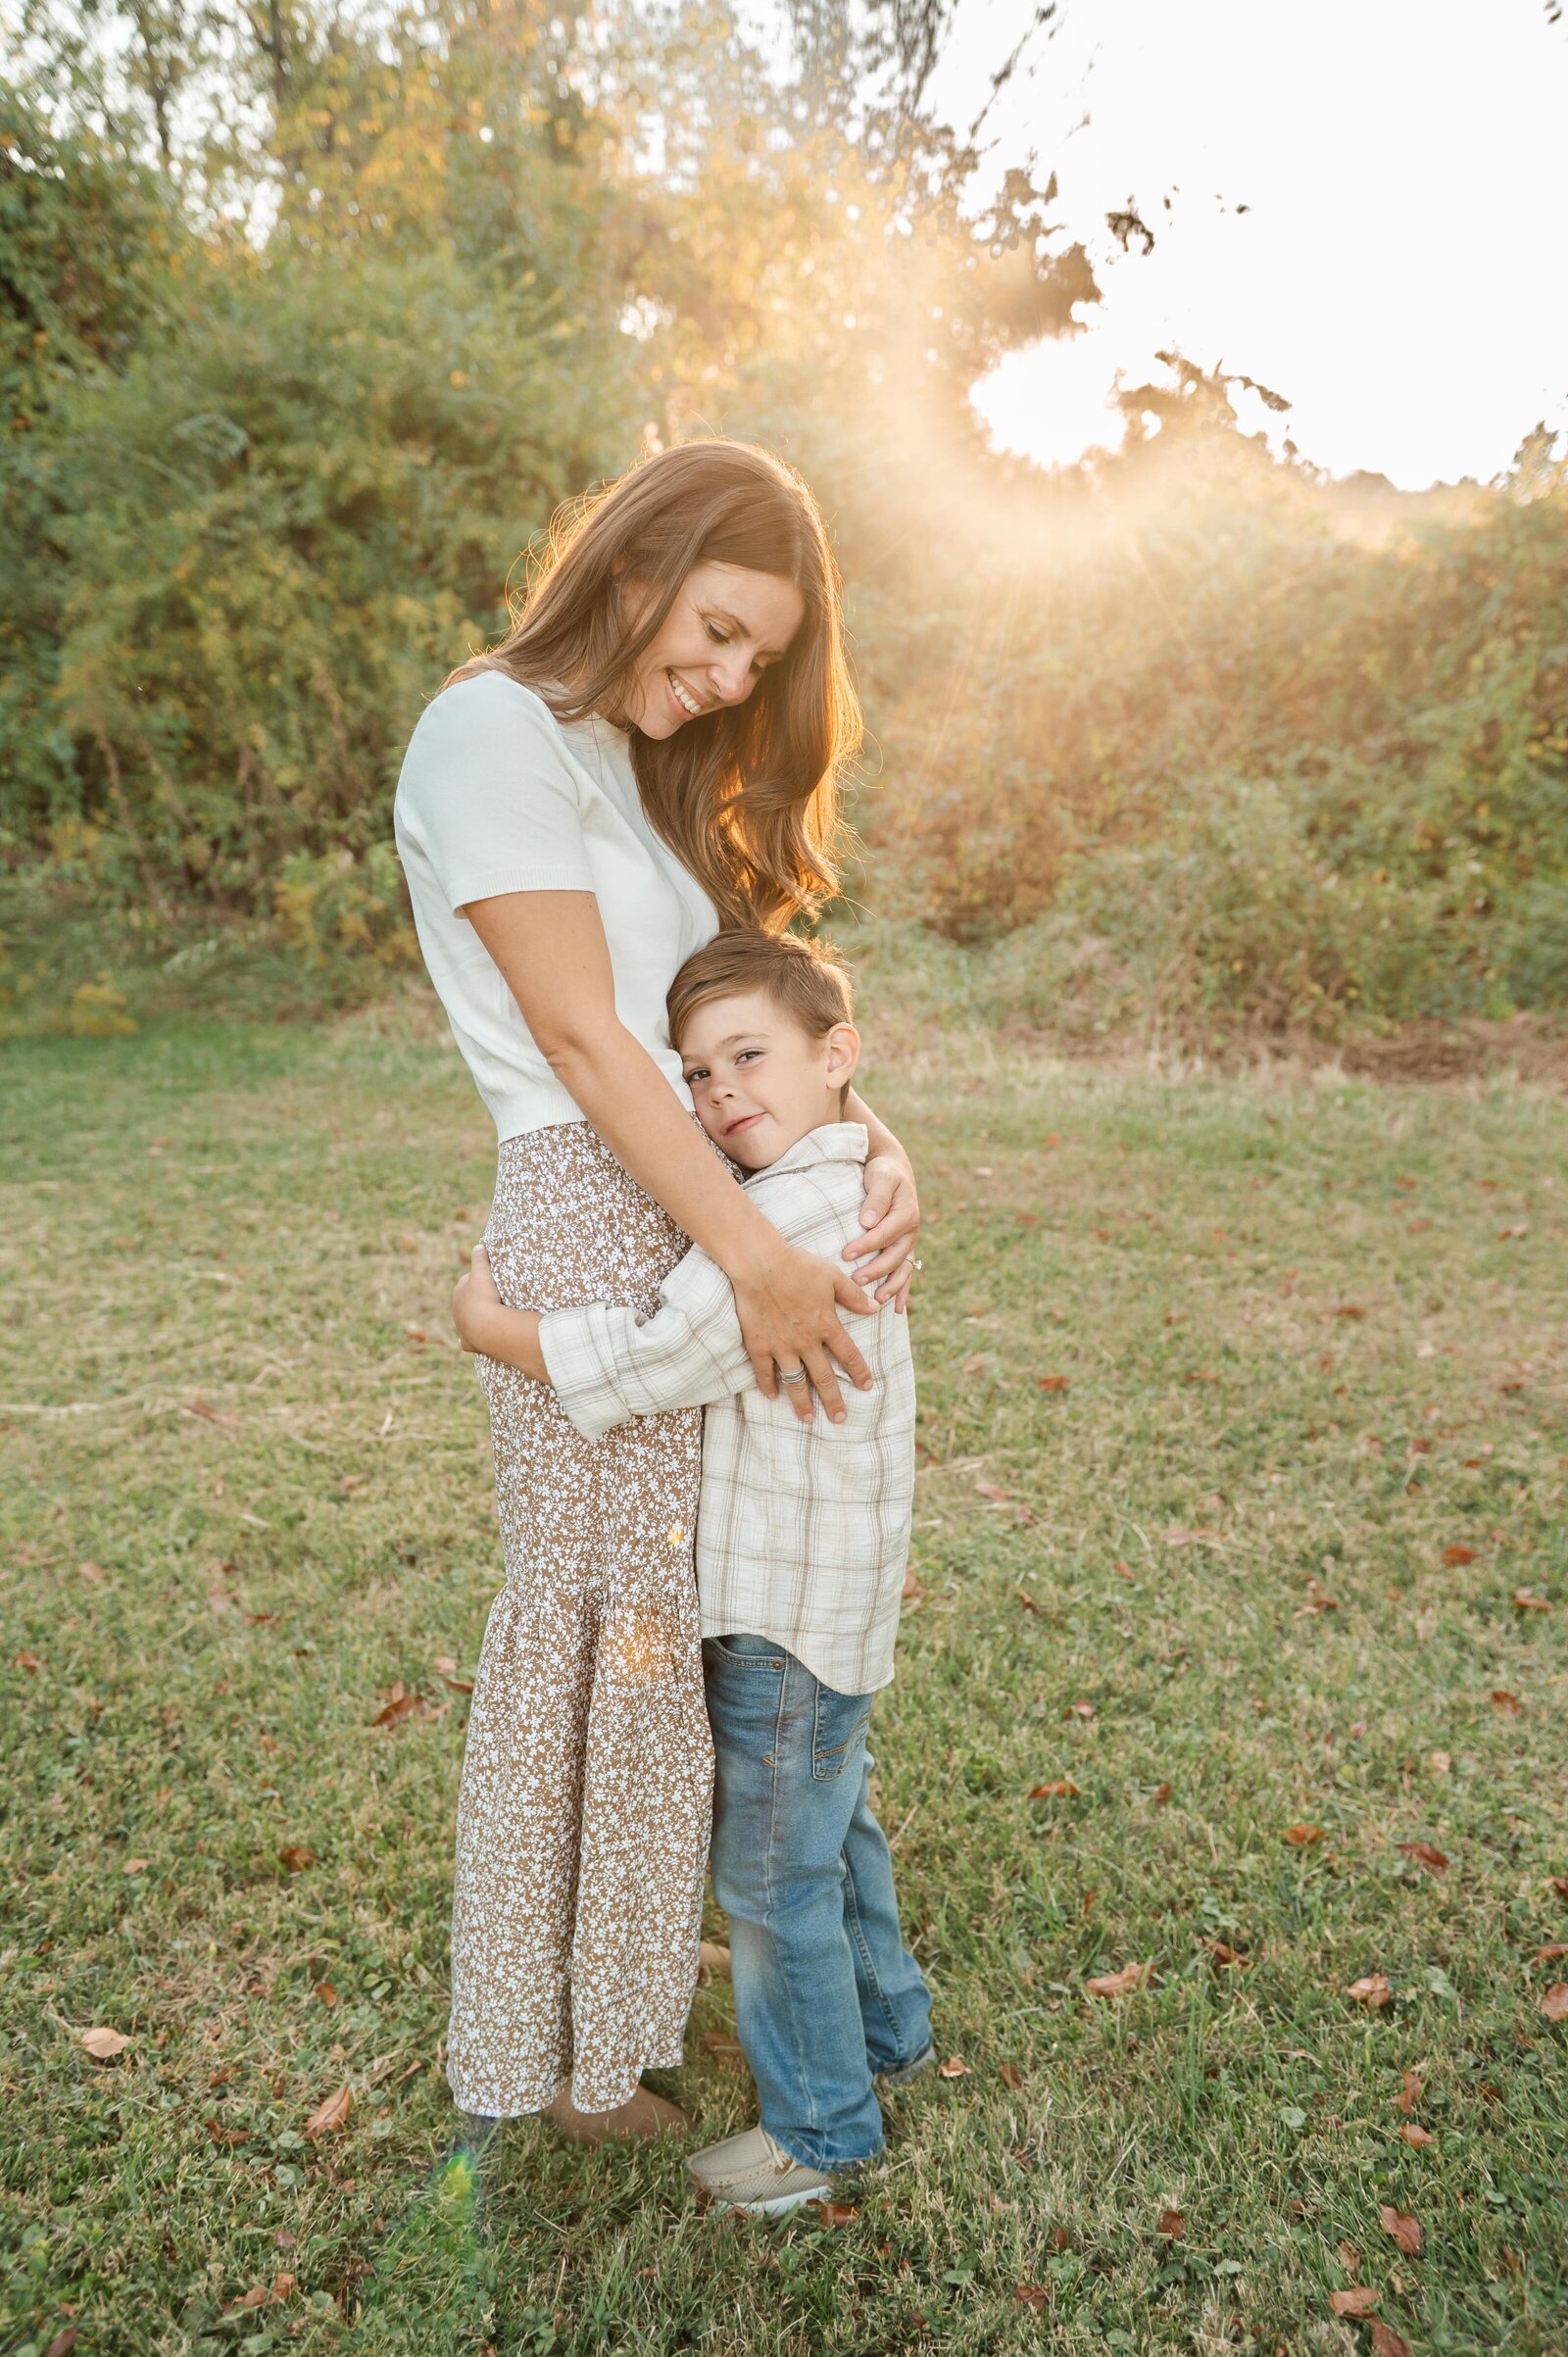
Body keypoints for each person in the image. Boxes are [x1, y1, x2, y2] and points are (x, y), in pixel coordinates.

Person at [392, 440, 922, 2147]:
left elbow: (730, 1013)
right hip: (592, 1207)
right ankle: (551, 2064)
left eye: (756, 660)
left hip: (695, 1209)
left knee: (669, 1641)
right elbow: (579, 1033)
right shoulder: (491, 730)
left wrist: (866, 1141)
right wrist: (760, 1253)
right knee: (584, 1647)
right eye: (715, 630)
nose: (725, 678)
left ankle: (617, 1981)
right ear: (635, 567)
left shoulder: (634, 765)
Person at [452, 928, 933, 2212]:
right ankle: (891, 2026)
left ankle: (824, 2131)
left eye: (748, 1057)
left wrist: (491, 1325)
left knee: (775, 1878)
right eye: (698, 1074)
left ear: (841, 1056)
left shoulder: (793, 1220)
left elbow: (656, 1358)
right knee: (840, 1830)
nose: (721, 1095)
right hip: (833, 1604)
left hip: (777, 1619)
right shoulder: (842, 1179)